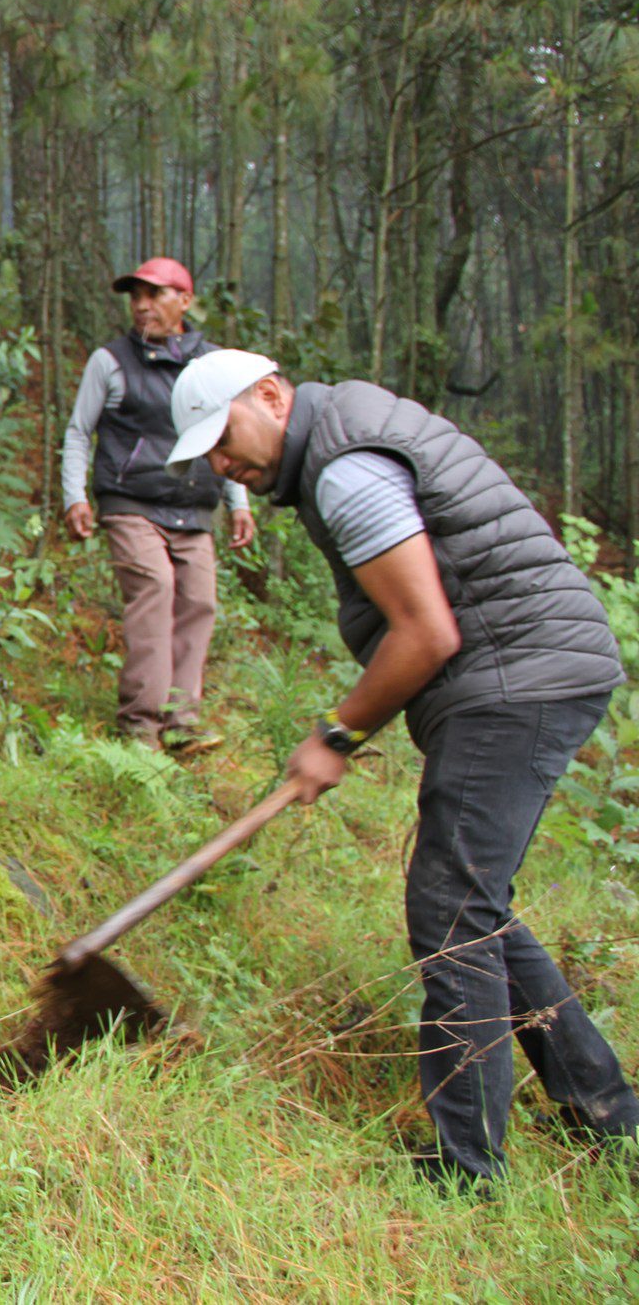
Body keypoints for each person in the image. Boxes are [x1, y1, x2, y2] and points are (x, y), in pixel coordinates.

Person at [167, 348, 637, 1191]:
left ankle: (467, 1168)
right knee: (475, 903)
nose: (219, 462)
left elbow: (425, 632)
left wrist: (336, 735)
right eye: (204, 451)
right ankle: (609, 1114)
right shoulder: (343, 438)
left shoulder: (345, 468)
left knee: (450, 908)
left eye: (223, 436)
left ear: (271, 395)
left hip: (517, 672)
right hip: (524, 666)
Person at [62, 258, 253, 752]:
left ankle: (181, 722)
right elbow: (80, 430)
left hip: (193, 505)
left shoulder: (211, 364)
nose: (142, 306)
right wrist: (75, 496)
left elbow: (230, 435)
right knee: (156, 586)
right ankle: (141, 726)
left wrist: (239, 501)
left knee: (200, 601)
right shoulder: (111, 361)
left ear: (185, 301)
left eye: (155, 294)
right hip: (130, 501)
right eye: (135, 297)